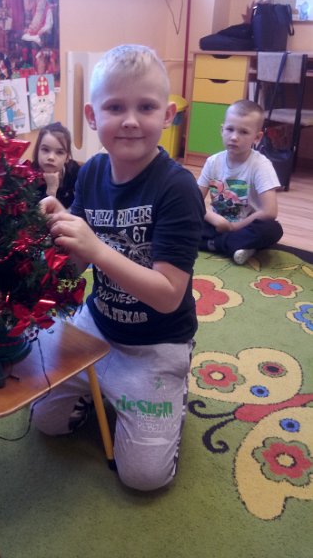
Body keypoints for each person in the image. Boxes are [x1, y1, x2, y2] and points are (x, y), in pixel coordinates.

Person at [32, 44, 205, 491]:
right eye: (115, 107)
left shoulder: (178, 188)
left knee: (144, 478)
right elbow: (76, 264)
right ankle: (106, 388)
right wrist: (61, 226)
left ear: (167, 115)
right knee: (45, 420)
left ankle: (161, 395)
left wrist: (96, 249)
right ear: (92, 117)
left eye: (145, 107)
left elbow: (168, 295)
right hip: (98, 325)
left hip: (157, 340)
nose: (130, 120)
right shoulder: (90, 173)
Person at [197, 99, 283, 265]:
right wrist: (215, 219)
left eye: (244, 132)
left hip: (245, 226)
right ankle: (232, 246)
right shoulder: (213, 162)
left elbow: (270, 211)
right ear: (222, 130)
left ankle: (213, 244)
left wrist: (234, 227)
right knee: (181, 218)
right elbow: (194, 200)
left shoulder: (260, 165)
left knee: (272, 229)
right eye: (230, 129)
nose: (234, 137)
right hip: (215, 225)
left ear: (257, 137)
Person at [32, 122, 80, 208]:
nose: (51, 157)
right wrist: (51, 190)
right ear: (37, 151)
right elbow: (37, 215)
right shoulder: (29, 177)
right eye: (45, 150)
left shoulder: (75, 171)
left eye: (59, 152)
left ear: (67, 157)